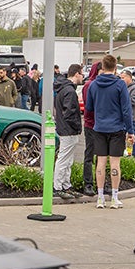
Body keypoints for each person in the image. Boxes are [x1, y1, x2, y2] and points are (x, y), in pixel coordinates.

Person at [84, 54, 133, 208]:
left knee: (100, 162)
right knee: (115, 163)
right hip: (116, 128)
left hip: (99, 128)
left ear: (102, 66)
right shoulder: (120, 85)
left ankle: (100, 198)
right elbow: (126, 109)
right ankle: (114, 197)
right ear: (115, 67)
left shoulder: (93, 85)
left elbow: (89, 107)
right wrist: (130, 131)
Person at [52, 64, 85, 197]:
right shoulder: (70, 91)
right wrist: (77, 126)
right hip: (69, 130)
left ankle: (66, 185)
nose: (83, 77)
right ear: (76, 74)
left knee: (67, 159)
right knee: (64, 158)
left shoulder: (62, 89)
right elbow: (70, 112)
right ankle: (58, 186)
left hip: (64, 128)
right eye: (82, 74)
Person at [77, 61, 103, 196]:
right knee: (90, 155)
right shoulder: (89, 85)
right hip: (91, 125)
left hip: (102, 126)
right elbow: (89, 106)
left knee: (102, 157)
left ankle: (101, 184)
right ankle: (87, 183)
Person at [120, 71, 135, 158]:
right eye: (120, 78)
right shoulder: (124, 88)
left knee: (133, 137)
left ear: (129, 77)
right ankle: (127, 154)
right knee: (124, 137)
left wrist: (123, 101)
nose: (122, 80)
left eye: (123, 78)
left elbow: (133, 100)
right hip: (124, 117)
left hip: (133, 117)